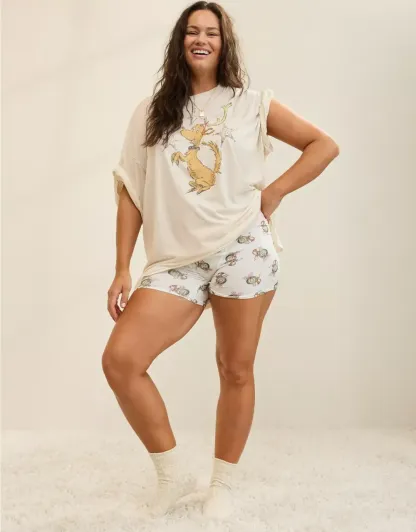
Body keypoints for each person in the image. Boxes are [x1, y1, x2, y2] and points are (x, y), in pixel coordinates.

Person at [102, 0, 339, 520]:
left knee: (234, 368)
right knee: (121, 361)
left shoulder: (251, 104)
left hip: (242, 248)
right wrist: (122, 267)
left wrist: (274, 192)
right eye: (192, 31)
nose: (201, 39)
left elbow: (323, 145)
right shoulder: (150, 112)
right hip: (175, 261)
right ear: (179, 43)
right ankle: (172, 476)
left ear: (224, 43)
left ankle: (223, 484)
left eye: (211, 32)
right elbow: (131, 192)